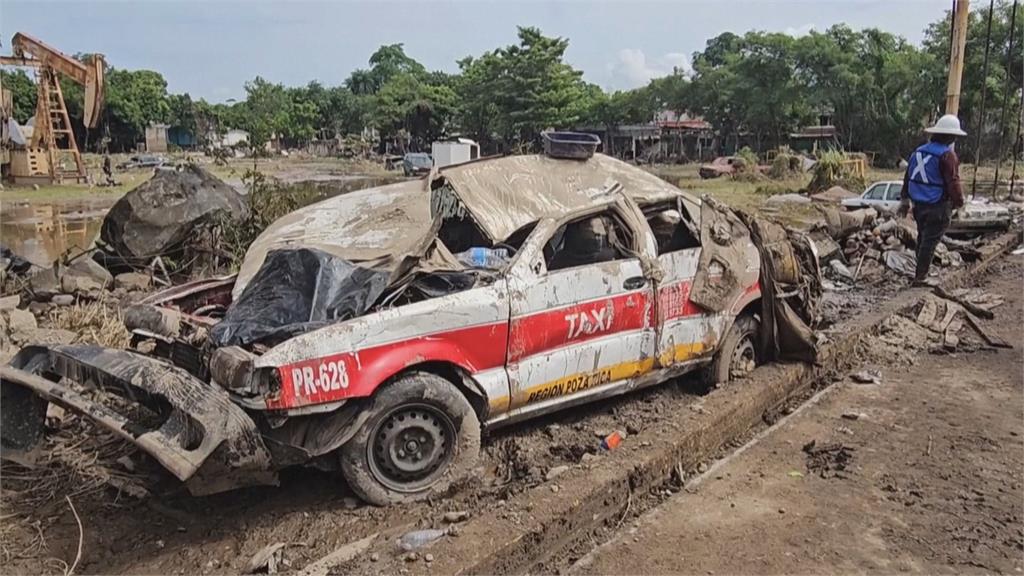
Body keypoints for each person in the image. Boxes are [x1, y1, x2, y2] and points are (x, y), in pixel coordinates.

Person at [897, 114, 966, 287]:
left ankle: (920, 272)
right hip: (938, 206)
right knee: (929, 242)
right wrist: (960, 204)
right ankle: (921, 277)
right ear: (951, 136)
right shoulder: (947, 156)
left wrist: (904, 199)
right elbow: (953, 182)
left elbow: (908, 177)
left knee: (923, 239)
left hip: (919, 206)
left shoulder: (918, 152)